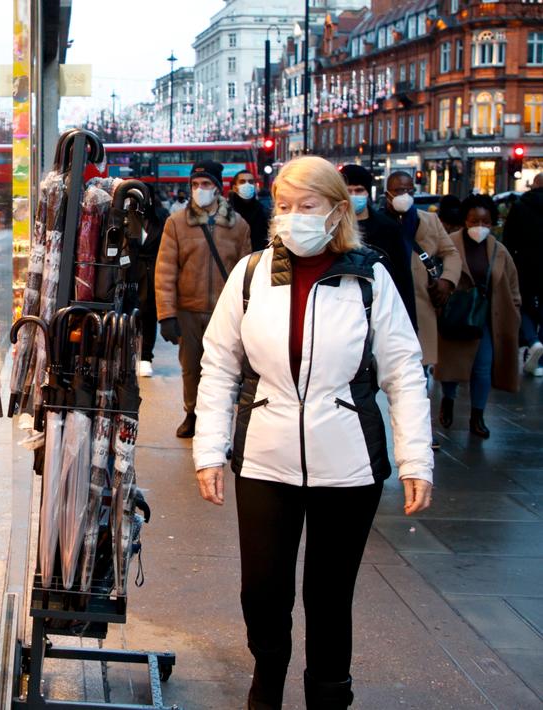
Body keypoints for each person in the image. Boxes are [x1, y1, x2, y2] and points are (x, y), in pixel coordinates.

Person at [194, 155, 433, 710]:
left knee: (329, 596)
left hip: (348, 463)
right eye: (284, 205)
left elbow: (403, 371)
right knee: (262, 591)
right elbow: (219, 365)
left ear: (336, 211)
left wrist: (416, 459)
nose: (294, 216)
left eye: (308, 205)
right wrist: (209, 449)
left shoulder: (369, 278)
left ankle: (329, 693)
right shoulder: (251, 274)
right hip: (265, 458)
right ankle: (267, 679)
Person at [156, 160, 252, 437]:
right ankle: (192, 413)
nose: (200, 189)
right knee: (190, 368)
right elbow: (165, 270)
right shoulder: (176, 223)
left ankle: (219, 422)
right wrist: (167, 315)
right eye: (195, 184)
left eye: (206, 184)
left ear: (218, 188)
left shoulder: (238, 226)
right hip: (188, 309)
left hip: (225, 312)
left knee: (224, 370)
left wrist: (247, 312)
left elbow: (246, 273)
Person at [437, 195, 522, 439]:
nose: (480, 227)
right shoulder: (449, 244)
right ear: (465, 220)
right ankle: (448, 401)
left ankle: (477, 416)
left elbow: (512, 284)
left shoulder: (499, 250)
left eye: (485, 222)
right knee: (452, 367)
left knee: (482, 368)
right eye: (474, 221)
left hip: (484, 318)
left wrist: (514, 309)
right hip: (456, 315)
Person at [382, 172, 461, 370]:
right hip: (388, 303)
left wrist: (447, 281)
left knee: (418, 369)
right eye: (399, 190)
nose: (404, 195)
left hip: (421, 304)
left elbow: (451, 253)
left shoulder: (429, 220)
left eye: (409, 191)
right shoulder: (378, 223)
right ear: (387, 194)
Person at [338, 165, 416, 328]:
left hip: (383, 311)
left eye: (359, 190)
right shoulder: (334, 228)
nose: (354, 195)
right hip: (344, 312)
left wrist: (409, 323)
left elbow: (402, 277)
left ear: (367, 192)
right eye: (348, 191)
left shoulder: (388, 228)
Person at [502, 173, 543, 376]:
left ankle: (533, 342)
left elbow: (508, 239)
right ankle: (539, 359)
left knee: (524, 306)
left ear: (534, 184)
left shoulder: (520, 206)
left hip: (524, 266)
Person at [132, 191, 170, 377]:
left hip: (154, 272)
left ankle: (146, 356)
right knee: (131, 314)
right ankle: (131, 353)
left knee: (149, 315)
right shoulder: (129, 217)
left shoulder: (161, 218)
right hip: (132, 272)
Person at [229, 169, 270, 251]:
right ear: (234, 188)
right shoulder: (227, 211)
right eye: (242, 182)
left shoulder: (263, 211)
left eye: (250, 182)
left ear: (255, 186)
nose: (247, 184)